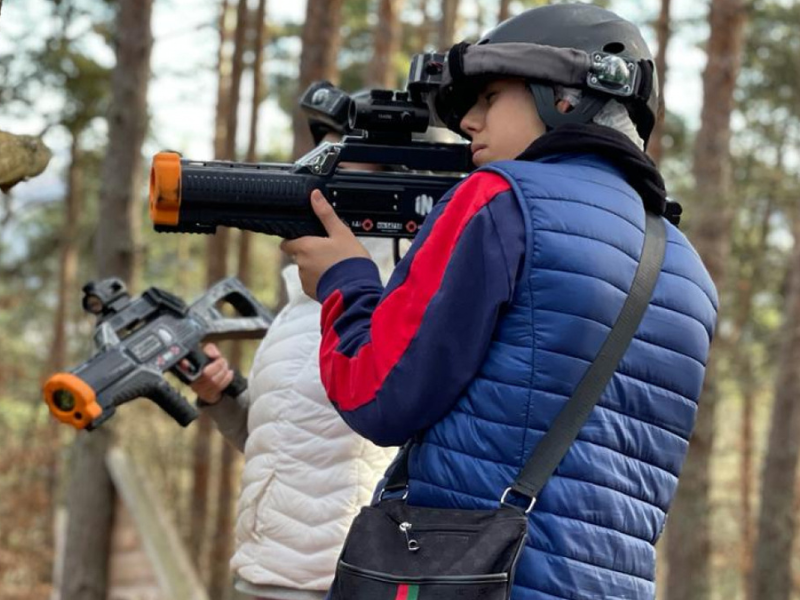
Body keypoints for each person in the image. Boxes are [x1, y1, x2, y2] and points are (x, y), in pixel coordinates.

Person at [281, 5, 718, 600]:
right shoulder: (688, 265)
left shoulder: (498, 199)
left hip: (480, 578)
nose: (468, 122)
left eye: (488, 97)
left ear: (564, 98)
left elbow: (375, 395)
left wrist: (346, 281)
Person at [189, 93, 396, 600]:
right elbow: (282, 441)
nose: (312, 182)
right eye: (312, 163)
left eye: (337, 168)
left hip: (337, 580)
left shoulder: (397, 300)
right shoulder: (300, 304)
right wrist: (222, 397)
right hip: (263, 571)